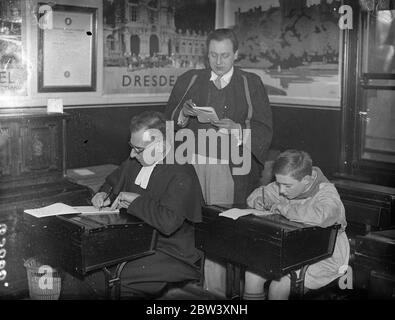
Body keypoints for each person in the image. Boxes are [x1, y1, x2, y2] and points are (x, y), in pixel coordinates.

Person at [61, 111, 204, 299]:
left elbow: (168, 222)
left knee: (110, 278)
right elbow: (112, 183)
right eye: (132, 146)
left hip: (171, 253)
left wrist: (135, 200)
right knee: (79, 267)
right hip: (134, 242)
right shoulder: (135, 162)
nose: (131, 154)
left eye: (137, 149)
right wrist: (103, 194)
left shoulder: (181, 171)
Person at [164, 28, 273, 206]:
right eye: (213, 55)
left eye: (225, 55)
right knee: (192, 216)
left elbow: (264, 128)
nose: (219, 62)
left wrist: (238, 129)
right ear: (206, 54)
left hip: (233, 166)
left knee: (225, 221)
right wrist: (183, 113)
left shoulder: (251, 83)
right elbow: (167, 120)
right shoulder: (189, 80)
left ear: (236, 54)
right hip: (193, 163)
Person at [245, 149, 350, 300]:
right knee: (252, 275)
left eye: (287, 186)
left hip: (325, 253)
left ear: (306, 180)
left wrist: (284, 208)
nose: (281, 190)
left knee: (279, 285)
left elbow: (322, 216)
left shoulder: (326, 192)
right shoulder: (287, 183)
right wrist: (260, 200)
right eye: (278, 183)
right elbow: (259, 194)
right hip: (292, 249)